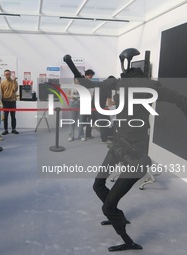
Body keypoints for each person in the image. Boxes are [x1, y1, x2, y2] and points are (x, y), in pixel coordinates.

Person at [64, 49, 187, 252]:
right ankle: (114, 214)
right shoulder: (125, 84)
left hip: (136, 155)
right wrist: (72, 66)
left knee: (108, 206)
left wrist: (71, 64)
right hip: (119, 145)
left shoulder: (140, 85)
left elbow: (179, 99)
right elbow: (87, 84)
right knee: (98, 185)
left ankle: (128, 240)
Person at [1, 69, 19, 135]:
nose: (7, 76)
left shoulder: (14, 81)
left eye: (8, 74)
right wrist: (1, 102)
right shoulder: (3, 83)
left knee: (13, 116)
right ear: (4, 75)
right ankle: (5, 130)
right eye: (6, 74)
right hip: (5, 102)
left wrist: (14, 81)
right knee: (5, 117)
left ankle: (13, 129)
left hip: (12, 101)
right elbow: (1, 92)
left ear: (10, 74)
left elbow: (15, 89)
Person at [79, 69, 95, 141]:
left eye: (91, 75)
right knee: (85, 119)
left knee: (88, 119)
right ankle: (84, 135)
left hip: (88, 102)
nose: (91, 77)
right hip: (86, 102)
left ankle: (86, 134)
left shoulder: (88, 82)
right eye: (90, 75)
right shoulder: (85, 82)